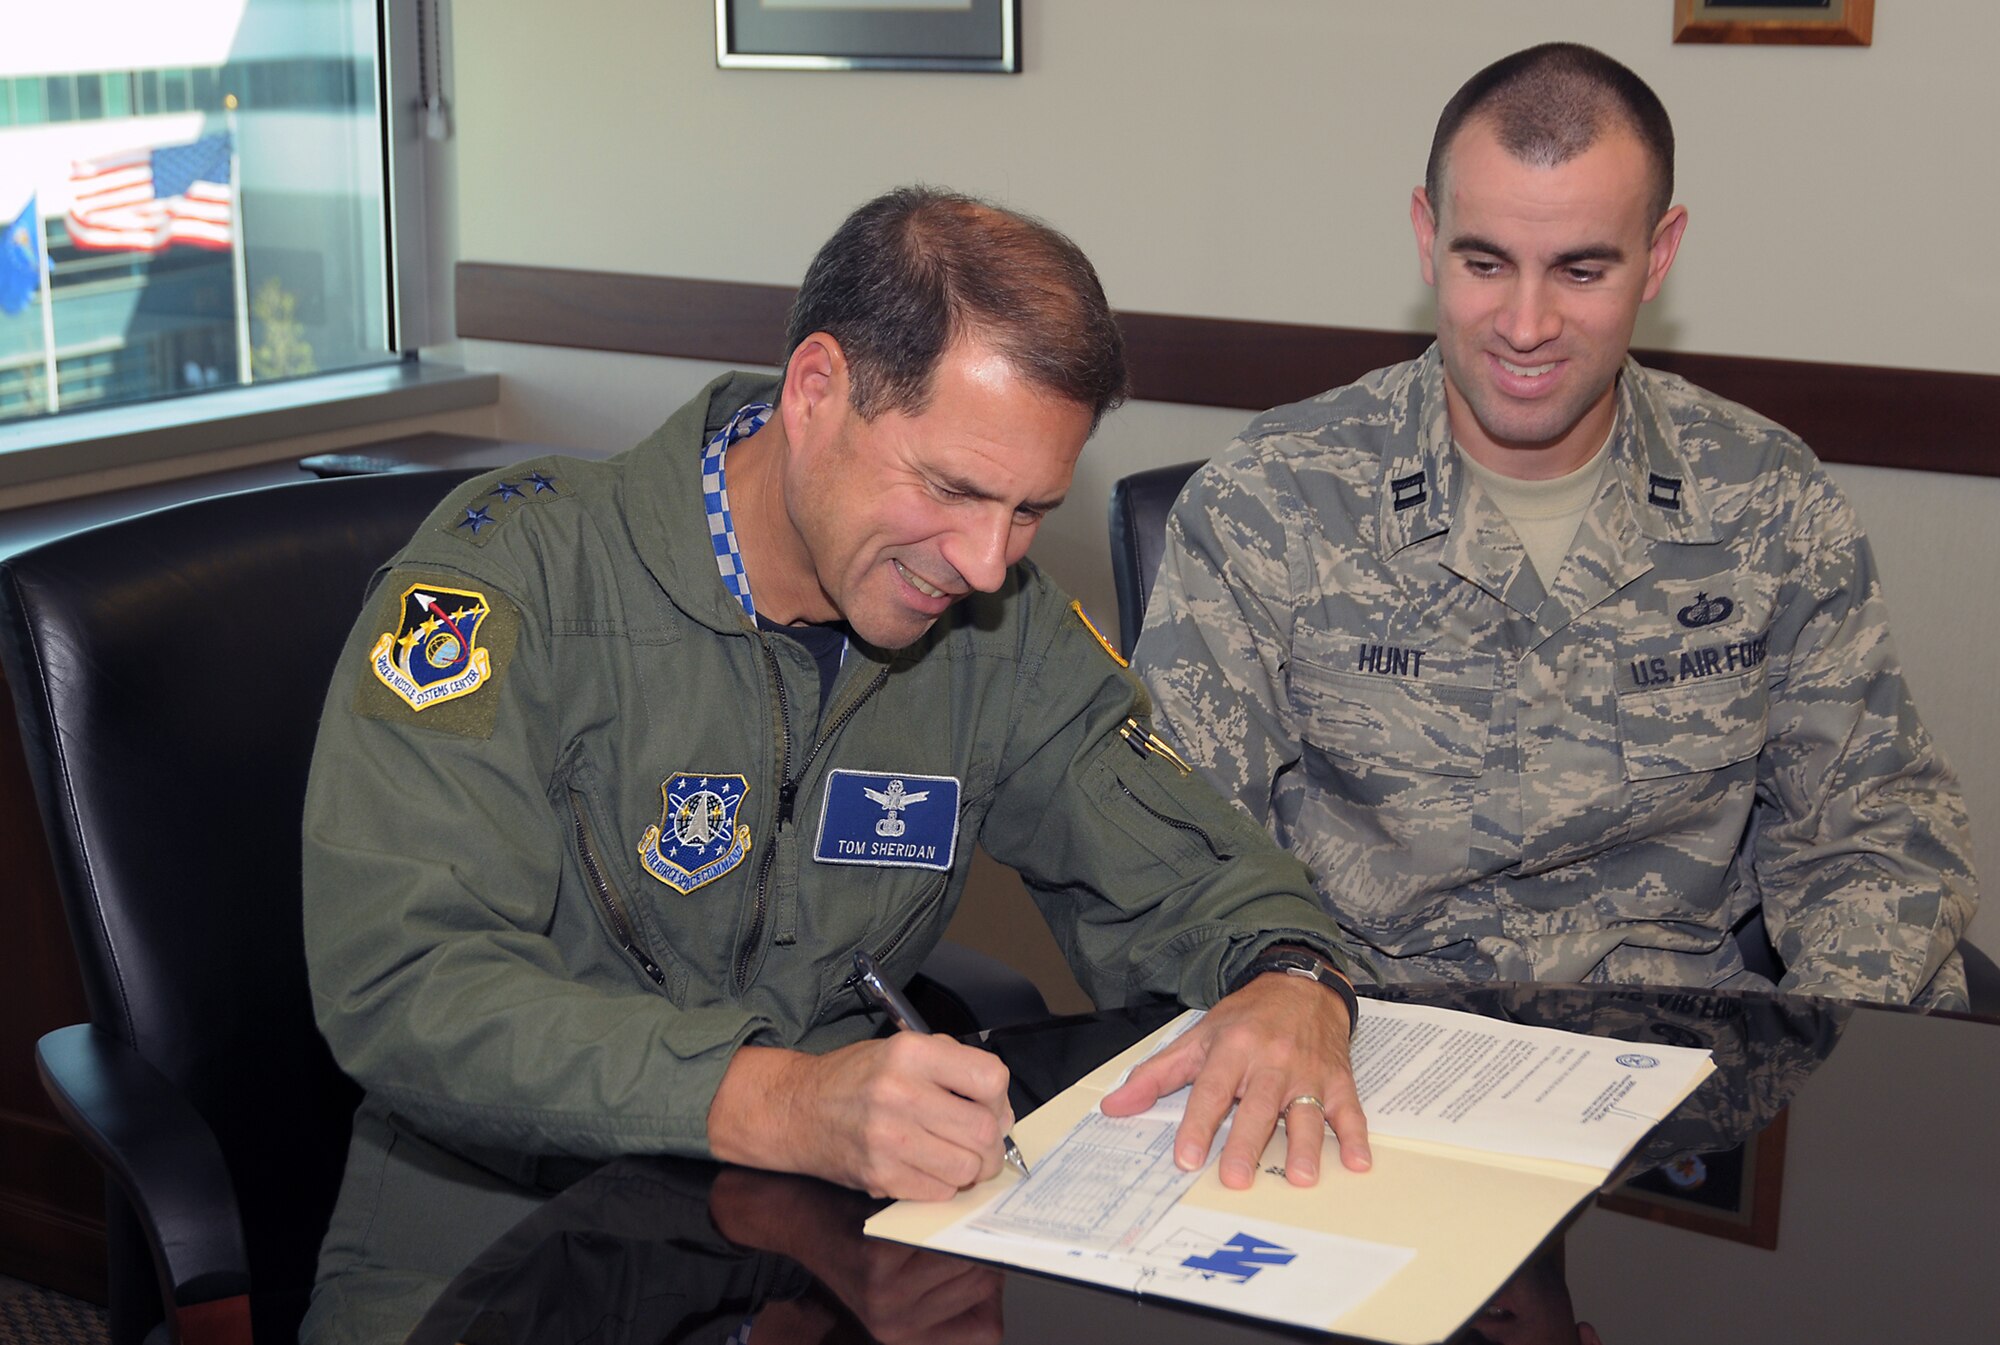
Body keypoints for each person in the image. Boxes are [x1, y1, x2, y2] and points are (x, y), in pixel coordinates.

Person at [302, 186, 1372, 1337]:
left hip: (808, 1257)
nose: (982, 561)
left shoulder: (997, 635)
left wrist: (1289, 976)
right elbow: (409, 986)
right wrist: (777, 1096)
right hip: (492, 1259)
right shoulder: (513, 587)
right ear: (815, 392)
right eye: (954, 489)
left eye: (1028, 511)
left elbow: (1192, 864)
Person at [1132, 43, 1976, 1009]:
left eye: (1580, 270)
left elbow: (1875, 832)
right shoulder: (1272, 499)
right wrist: (1282, 994)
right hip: (1366, 1049)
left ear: (1658, 256)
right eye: (1485, 262)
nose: (1525, 324)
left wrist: (1810, 1057)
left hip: (1674, 1063)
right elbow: (1170, 849)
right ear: (1426, 234)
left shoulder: (1766, 502)